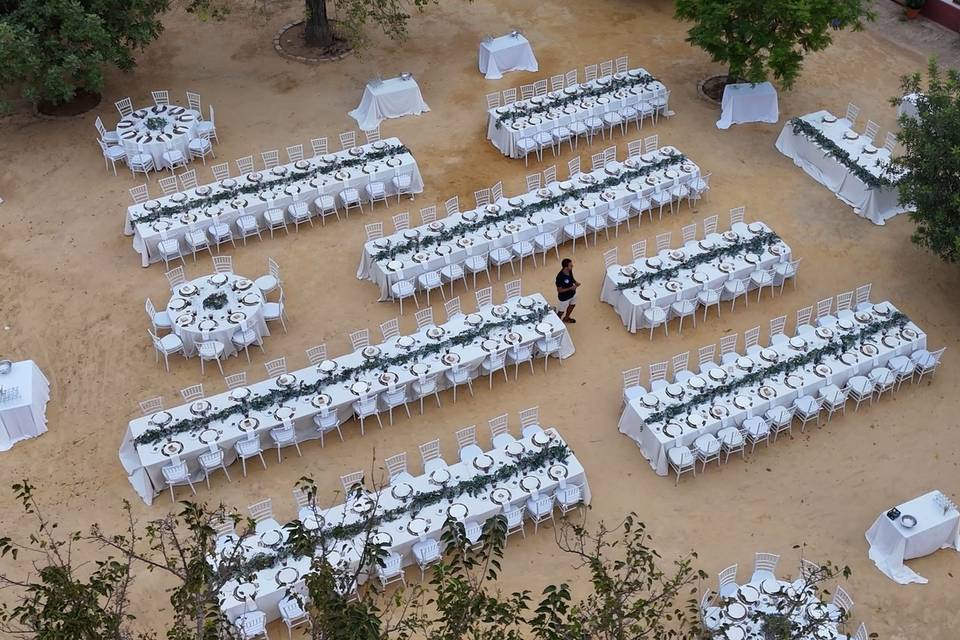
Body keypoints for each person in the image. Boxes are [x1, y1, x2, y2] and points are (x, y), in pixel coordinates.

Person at [555, 258, 580, 323]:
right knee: (561, 312)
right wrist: (570, 288)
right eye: (571, 265)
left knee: (572, 305)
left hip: (572, 294)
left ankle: (566, 318)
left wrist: (575, 282)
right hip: (564, 298)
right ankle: (557, 323)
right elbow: (559, 290)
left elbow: (571, 278)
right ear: (566, 267)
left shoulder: (569, 270)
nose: (572, 266)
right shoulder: (559, 277)